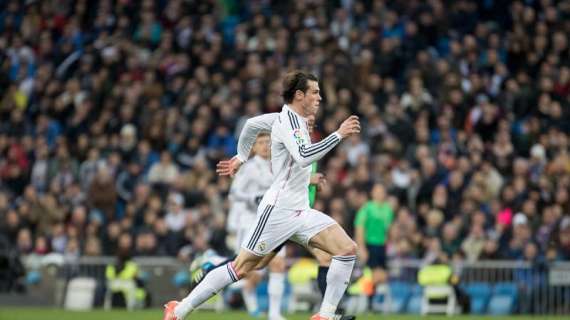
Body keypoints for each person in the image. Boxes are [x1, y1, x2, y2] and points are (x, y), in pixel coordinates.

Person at [163, 70, 361, 320]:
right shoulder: (289, 122)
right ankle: (179, 310)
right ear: (300, 95)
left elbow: (251, 125)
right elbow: (304, 156)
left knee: (346, 249)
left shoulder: (286, 118)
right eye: (315, 92)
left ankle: (325, 315)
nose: (320, 97)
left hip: (300, 210)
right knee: (241, 268)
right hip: (278, 211)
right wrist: (339, 134)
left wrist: (241, 156)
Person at [227, 131, 287, 320]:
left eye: (267, 142)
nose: (264, 145)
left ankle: (274, 314)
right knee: (248, 269)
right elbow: (234, 193)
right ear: (253, 147)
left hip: (273, 221)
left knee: (278, 264)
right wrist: (253, 197)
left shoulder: (280, 164)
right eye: (260, 142)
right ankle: (213, 266)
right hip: (251, 222)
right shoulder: (248, 168)